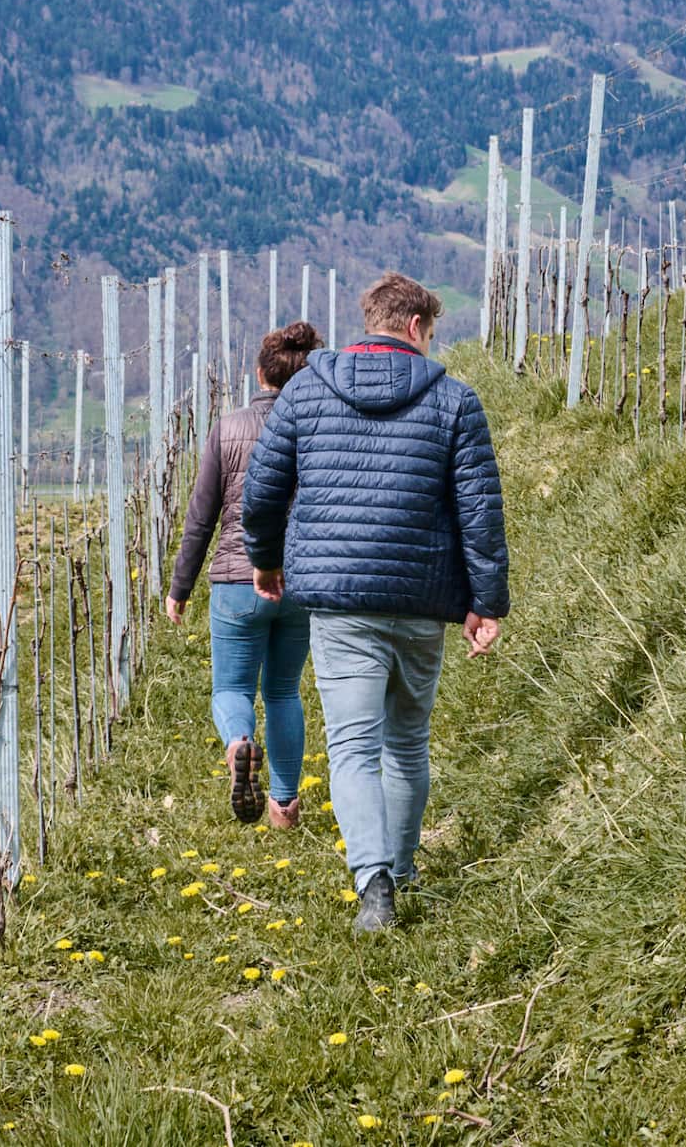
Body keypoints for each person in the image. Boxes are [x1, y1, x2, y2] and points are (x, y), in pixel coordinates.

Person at [241, 272, 509, 932]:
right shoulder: (455, 401)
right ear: (416, 327)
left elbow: (263, 490)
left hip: (339, 600)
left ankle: (373, 883)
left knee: (353, 748)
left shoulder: (306, 391)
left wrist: (266, 561)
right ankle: (403, 866)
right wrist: (487, 602)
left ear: (371, 322)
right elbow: (480, 514)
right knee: (407, 743)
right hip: (421, 598)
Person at [165, 321, 323, 828]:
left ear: (259, 374)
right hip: (300, 582)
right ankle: (285, 807)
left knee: (231, 689)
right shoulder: (319, 429)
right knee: (283, 691)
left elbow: (201, 516)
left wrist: (180, 587)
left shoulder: (228, 427)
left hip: (237, 581)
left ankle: (238, 742)